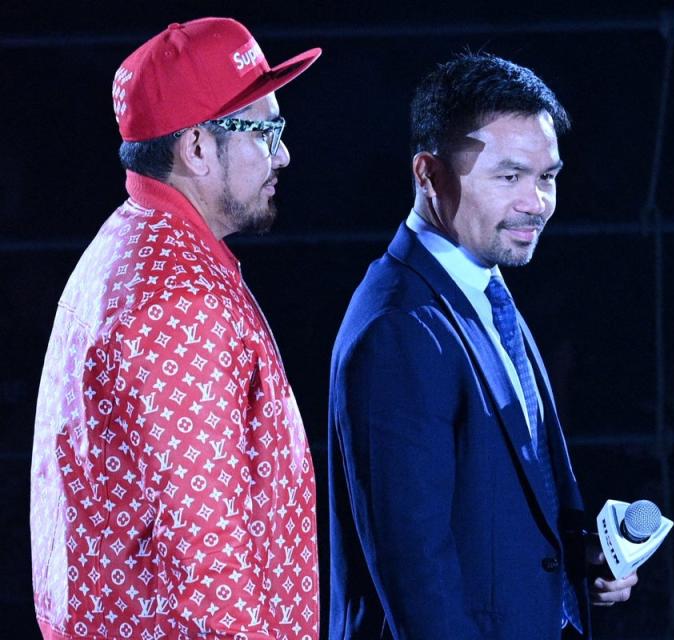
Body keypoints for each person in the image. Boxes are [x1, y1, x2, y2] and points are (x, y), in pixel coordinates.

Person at [328, 53, 638, 640]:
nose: (536, 202)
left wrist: (582, 556)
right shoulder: (401, 325)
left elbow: (501, 502)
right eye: (509, 176)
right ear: (429, 174)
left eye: (547, 177)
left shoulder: (482, 285)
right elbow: (416, 573)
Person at [31, 18, 323, 640]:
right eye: (265, 131)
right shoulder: (177, 300)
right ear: (195, 148)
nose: (284, 153)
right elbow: (208, 562)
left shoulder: (129, 241)